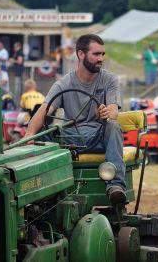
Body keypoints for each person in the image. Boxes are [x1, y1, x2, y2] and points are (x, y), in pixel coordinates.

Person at [24, 34, 126, 205]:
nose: (101, 58)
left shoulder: (110, 80)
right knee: (43, 133)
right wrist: (29, 134)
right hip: (70, 138)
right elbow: (45, 109)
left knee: (113, 126)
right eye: (96, 54)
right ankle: (44, 186)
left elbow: (114, 111)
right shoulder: (64, 83)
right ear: (81, 54)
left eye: (102, 54)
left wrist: (106, 113)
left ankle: (115, 186)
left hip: (98, 135)